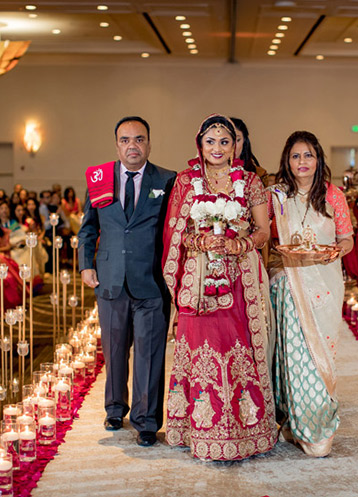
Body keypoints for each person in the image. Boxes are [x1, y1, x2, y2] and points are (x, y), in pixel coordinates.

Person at [162, 114, 276, 461]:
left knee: (238, 343)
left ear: (235, 146)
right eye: (210, 141)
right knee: (200, 347)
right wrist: (201, 241)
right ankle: (199, 428)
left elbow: (263, 231)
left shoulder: (251, 181)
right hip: (198, 281)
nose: (217, 148)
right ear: (200, 144)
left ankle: (246, 429)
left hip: (241, 280)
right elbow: (173, 232)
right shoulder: (185, 181)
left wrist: (237, 245)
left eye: (224, 141)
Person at [78, 116, 176, 446]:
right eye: (125, 140)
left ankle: (146, 420)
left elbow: (171, 232)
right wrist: (84, 265)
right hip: (110, 278)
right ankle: (115, 408)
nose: (132, 145)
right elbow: (88, 227)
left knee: (150, 353)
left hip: (151, 280)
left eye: (139, 139)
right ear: (116, 143)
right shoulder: (98, 178)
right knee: (115, 349)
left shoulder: (167, 179)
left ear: (149, 143)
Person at [267, 131, 353, 457]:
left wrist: (336, 251)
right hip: (289, 284)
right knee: (293, 356)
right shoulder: (276, 196)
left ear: (318, 159)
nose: (302, 162)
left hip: (325, 285)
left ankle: (317, 422)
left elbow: (346, 239)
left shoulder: (334, 196)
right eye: (295, 156)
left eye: (308, 155)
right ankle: (298, 423)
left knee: (321, 358)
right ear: (287, 162)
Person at [231, 117, 269, 188]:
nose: (233, 145)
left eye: (237, 140)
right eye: (226, 141)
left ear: (244, 141)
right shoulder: (208, 174)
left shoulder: (259, 174)